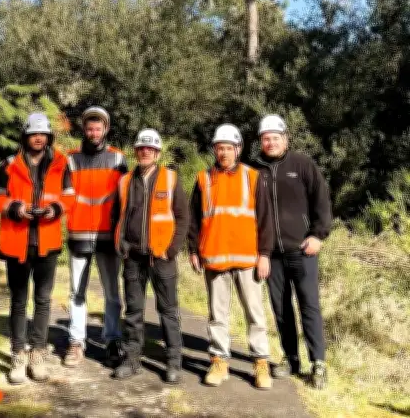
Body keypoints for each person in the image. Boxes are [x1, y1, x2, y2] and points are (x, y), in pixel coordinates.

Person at [0, 112, 75, 384]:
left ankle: (37, 353)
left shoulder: (62, 164)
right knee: (18, 301)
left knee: (43, 301)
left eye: (43, 134)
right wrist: (16, 208)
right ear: (25, 137)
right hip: (17, 242)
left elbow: (70, 197)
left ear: (49, 137)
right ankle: (17, 355)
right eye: (33, 134)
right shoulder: (9, 164)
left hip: (47, 241)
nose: (38, 138)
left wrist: (55, 209)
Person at [187, 123, 275, 390]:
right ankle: (219, 361)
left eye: (228, 147)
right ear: (214, 149)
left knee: (255, 315)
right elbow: (194, 220)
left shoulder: (252, 177)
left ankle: (261, 363)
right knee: (217, 316)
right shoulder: (203, 179)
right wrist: (193, 250)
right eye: (219, 147)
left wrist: (265, 255)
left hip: (248, 259)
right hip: (214, 257)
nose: (223, 152)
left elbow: (265, 220)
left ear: (238, 149)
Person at [252, 114, 332, 389]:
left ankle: (318, 363)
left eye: (275, 137)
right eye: (266, 138)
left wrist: (318, 235)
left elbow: (321, 199)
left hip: (303, 250)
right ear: (261, 142)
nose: (271, 142)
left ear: (285, 139)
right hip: (272, 254)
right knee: (281, 308)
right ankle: (291, 358)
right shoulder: (255, 169)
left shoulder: (301, 164)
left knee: (309, 306)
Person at [111, 128, 190, 384]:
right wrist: (121, 244)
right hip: (133, 257)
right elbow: (117, 216)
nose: (145, 152)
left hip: (162, 257)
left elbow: (182, 217)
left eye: (150, 149)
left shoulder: (170, 178)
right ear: (136, 151)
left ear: (157, 153)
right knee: (133, 310)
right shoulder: (124, 181)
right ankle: (132, 359)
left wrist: (172, 248)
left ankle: (173, 362)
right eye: (141, 148)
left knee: (168, 311)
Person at [62, 106, 128, 369]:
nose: (93, 132)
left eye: (97, 128)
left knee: (112, 293)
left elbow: (125, 201)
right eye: (89, 128)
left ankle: (112, 340)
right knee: (76, 293)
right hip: (78, 235)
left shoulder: (118, 159)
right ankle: (76, 342)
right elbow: (64, 197)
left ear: (106, 129)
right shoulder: (70, 160)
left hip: (108, 238)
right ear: (84, 129)